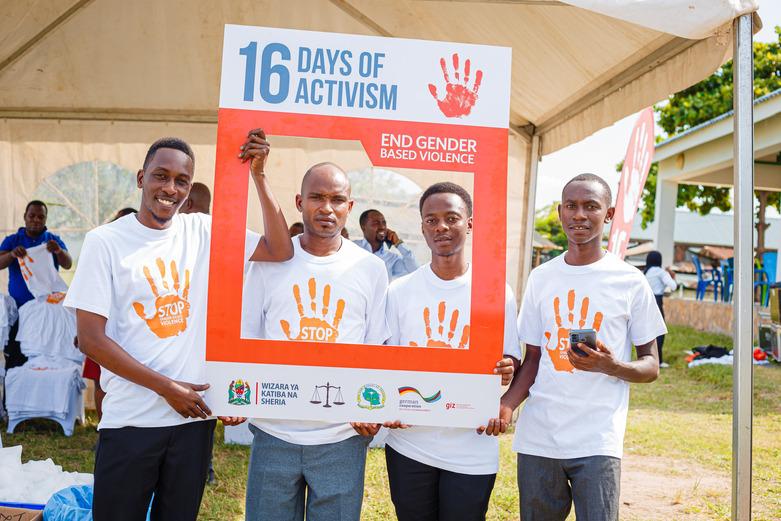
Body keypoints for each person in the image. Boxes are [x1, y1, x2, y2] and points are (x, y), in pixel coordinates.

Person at [64, 129, 293, 521]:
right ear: (141, 178)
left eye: (181, 181)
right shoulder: (105, 241)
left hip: (192, 421)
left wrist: (259, 175)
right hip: (131, 421)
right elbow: (90, 339)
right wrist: (167, 388)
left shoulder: (202, 230)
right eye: (161, 176)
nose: (170, 188)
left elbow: (279, 248)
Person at [502, 173, 664, 521]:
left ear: (609, 214)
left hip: (598, 441)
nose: (579, 215)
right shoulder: (541, 278)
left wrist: (611, 366)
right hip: (538, 438)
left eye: (591, 206)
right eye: (571, 206)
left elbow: (651, 365)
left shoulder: (630, 281)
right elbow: (532, 358)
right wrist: (507, 404)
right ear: (560, 212)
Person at [241, 162, 389, 521]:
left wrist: (373, 411)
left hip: (341, 435)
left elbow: (376, 349)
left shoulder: (370, 269)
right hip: (274, 430)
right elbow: (247, 338)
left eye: (337, 199)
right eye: (316, 198)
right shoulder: (268, 262)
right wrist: (236, 396)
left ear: (349, 207)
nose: (327, 208)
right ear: (298, 201)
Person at [383, 182, 519, 521]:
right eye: (431, 220)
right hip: (410, 442)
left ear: (469, 223)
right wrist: (387, 403)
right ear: (422, 228)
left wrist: (507, 370)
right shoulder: (399, 291)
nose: (441, 227)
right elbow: (386, 362)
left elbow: (511, 358)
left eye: (452, 218)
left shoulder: (496, 293)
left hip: (471, 445)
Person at [0, 200, 72, 369]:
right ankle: (14, 390)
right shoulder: (13, 240)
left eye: (41, 217)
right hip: (19, 309)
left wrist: (58, 251)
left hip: (46, 312)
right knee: (17, 356)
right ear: (25, 217)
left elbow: (68, 263)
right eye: (32, 216)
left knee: (44, 352)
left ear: (46, 219)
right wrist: (12, 254)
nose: (36, 220)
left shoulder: (52, 240)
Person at [82, 207, 139, 421]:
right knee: (100, 382)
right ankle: (103, 424)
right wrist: (84, 333)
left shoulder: (140, 259)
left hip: (130, 334)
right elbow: (88, 303)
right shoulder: (102, 252)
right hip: (102, 334)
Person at [354, 209, 416, 279]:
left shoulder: (392, 259)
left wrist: (398, 243)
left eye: (384, 223)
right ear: (363, 227)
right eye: (376, 223)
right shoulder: (352, 248)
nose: (382, 227)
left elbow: (414, 271)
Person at [643, 250, 676, 368]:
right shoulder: (661, 272)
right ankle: (659, 360)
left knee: (647, 331)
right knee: (659, 332)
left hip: (645, 303)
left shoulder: (645, 272)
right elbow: (673, 286)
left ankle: (645, 358)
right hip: (656, 302)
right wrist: (671, 275)